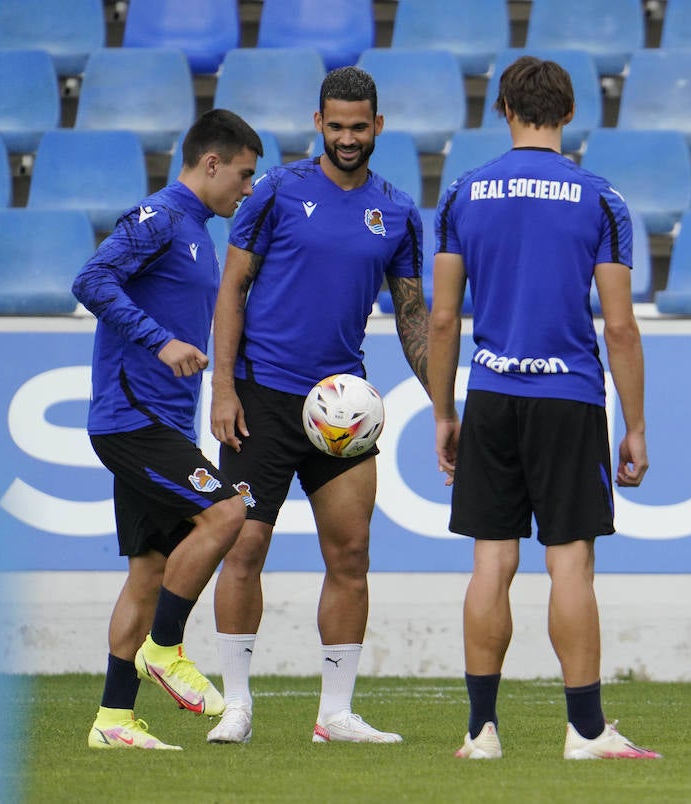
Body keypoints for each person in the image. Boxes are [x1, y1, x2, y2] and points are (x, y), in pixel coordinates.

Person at [428, 56, 659, 761]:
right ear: (568, 112)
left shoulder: (464, 192)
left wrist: (443, 412)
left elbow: (442, 320)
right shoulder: (600, 199)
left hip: (493, 393)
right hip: (566, 397)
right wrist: (637, 423)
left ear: (504, 110)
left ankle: (480, 732)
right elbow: (619, 326)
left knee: (490, 563)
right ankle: (585, 731)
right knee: (570, 567)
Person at [208, 67, 429, 745]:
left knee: (352, 553)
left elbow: (413, 312)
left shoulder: (397, 210)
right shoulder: (274, 191)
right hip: (262, 398)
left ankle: (334, 714)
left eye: (359, 127)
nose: (348, 138)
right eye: (336, 126)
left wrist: (439, 400)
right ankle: (236, 705)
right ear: (318, 123)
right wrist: (222, 388)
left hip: (343, 407)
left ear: (378, 126)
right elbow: (232, 288)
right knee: (244, 548)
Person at [73, 109, 263, 750]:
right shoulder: (158, 218)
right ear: (211, 163)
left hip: (161, 423)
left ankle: (114, 720)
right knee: (227, 514)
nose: (246, 189)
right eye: (242, 175)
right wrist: (160, 342)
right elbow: (90, 278)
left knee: (148, 571)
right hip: (132, 421)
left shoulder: (200, 231)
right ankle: (164, 647)